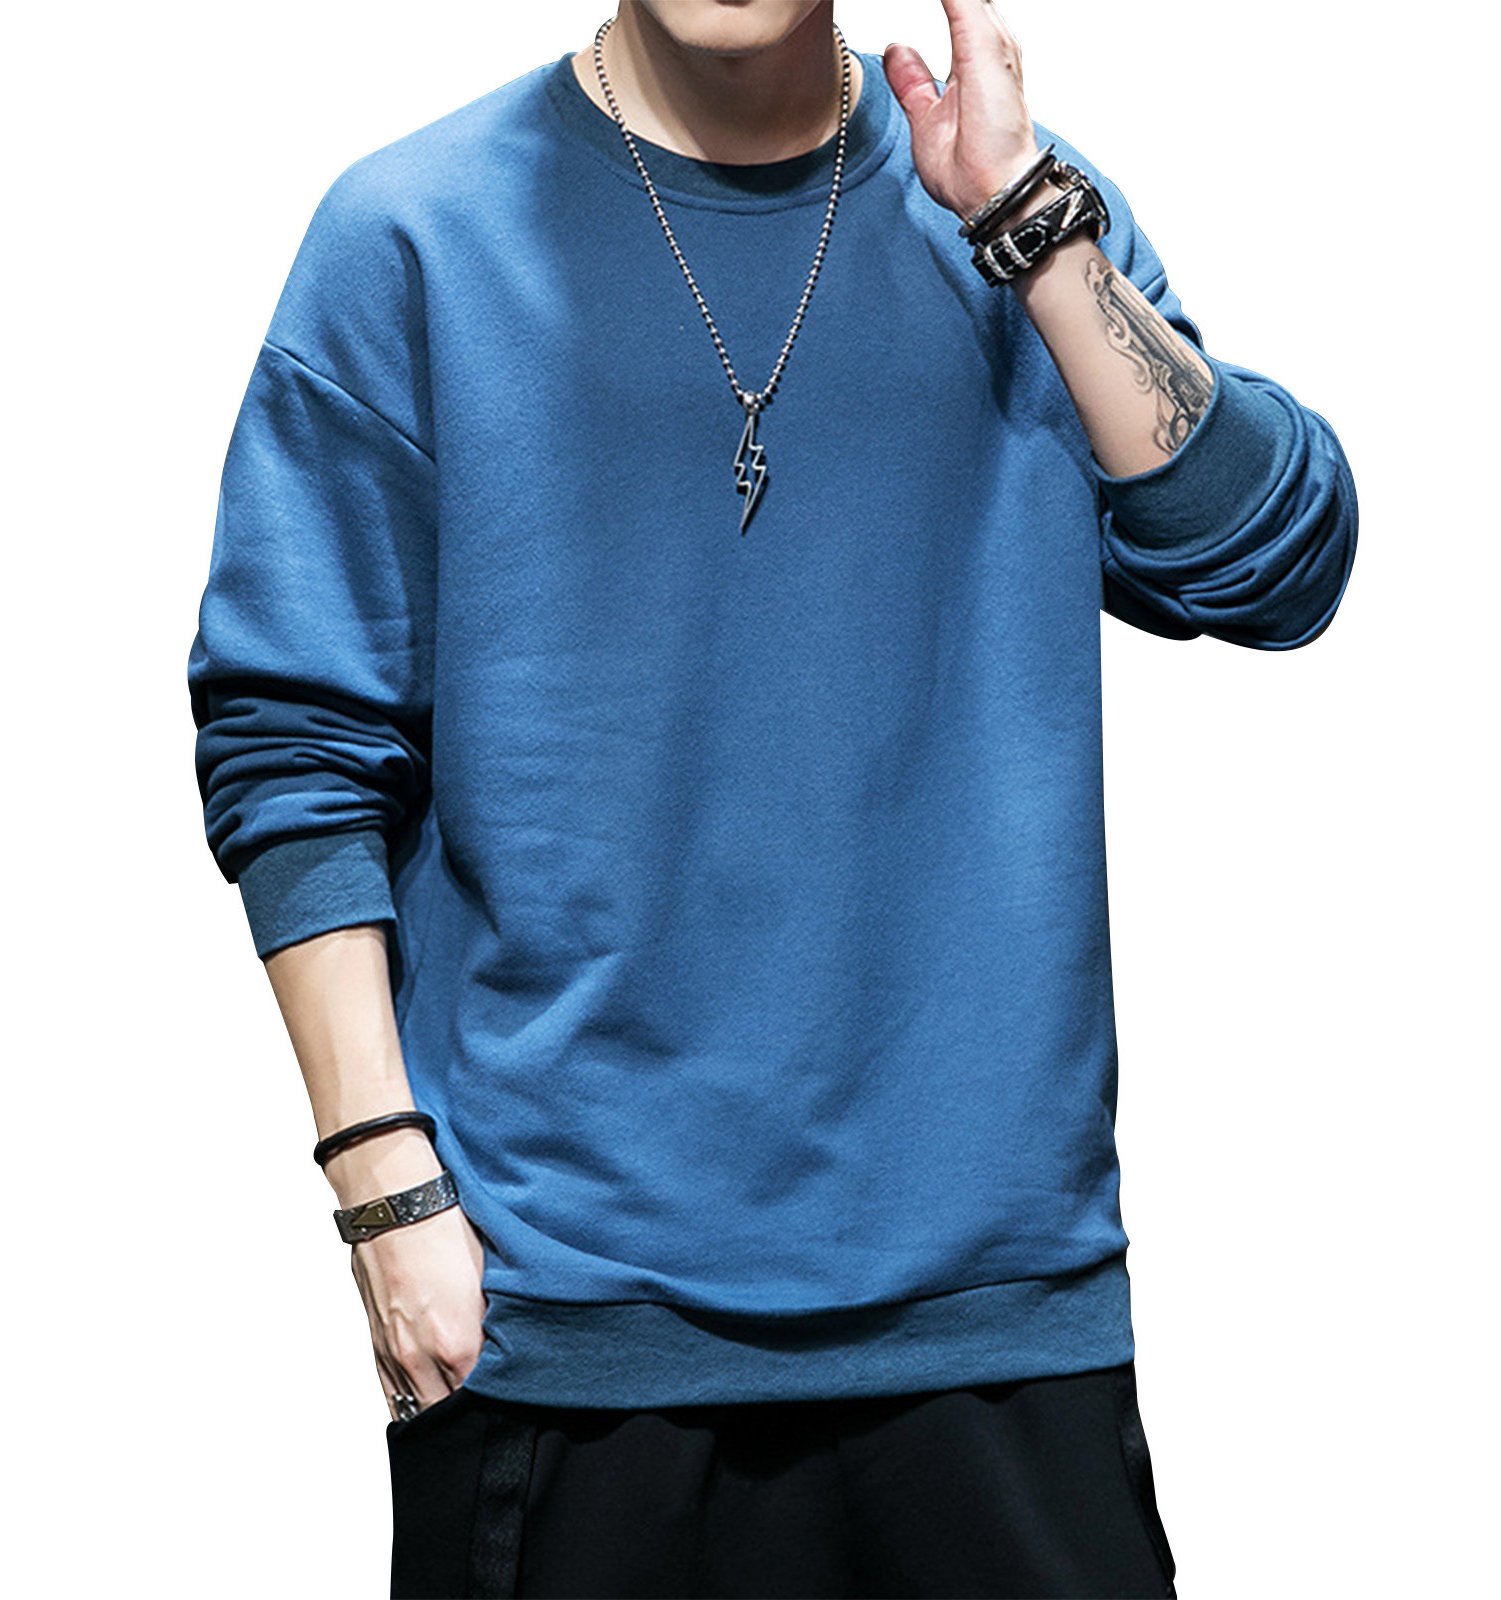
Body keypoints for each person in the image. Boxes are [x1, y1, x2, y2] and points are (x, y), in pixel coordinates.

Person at [187, 1, 1357, 1594]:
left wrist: (1033, 234)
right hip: (566, 1318)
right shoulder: (413, 233)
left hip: (994, 1312)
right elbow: (295, 735)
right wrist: (382, 1186)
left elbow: (1276, 565)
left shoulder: (1013, 216)